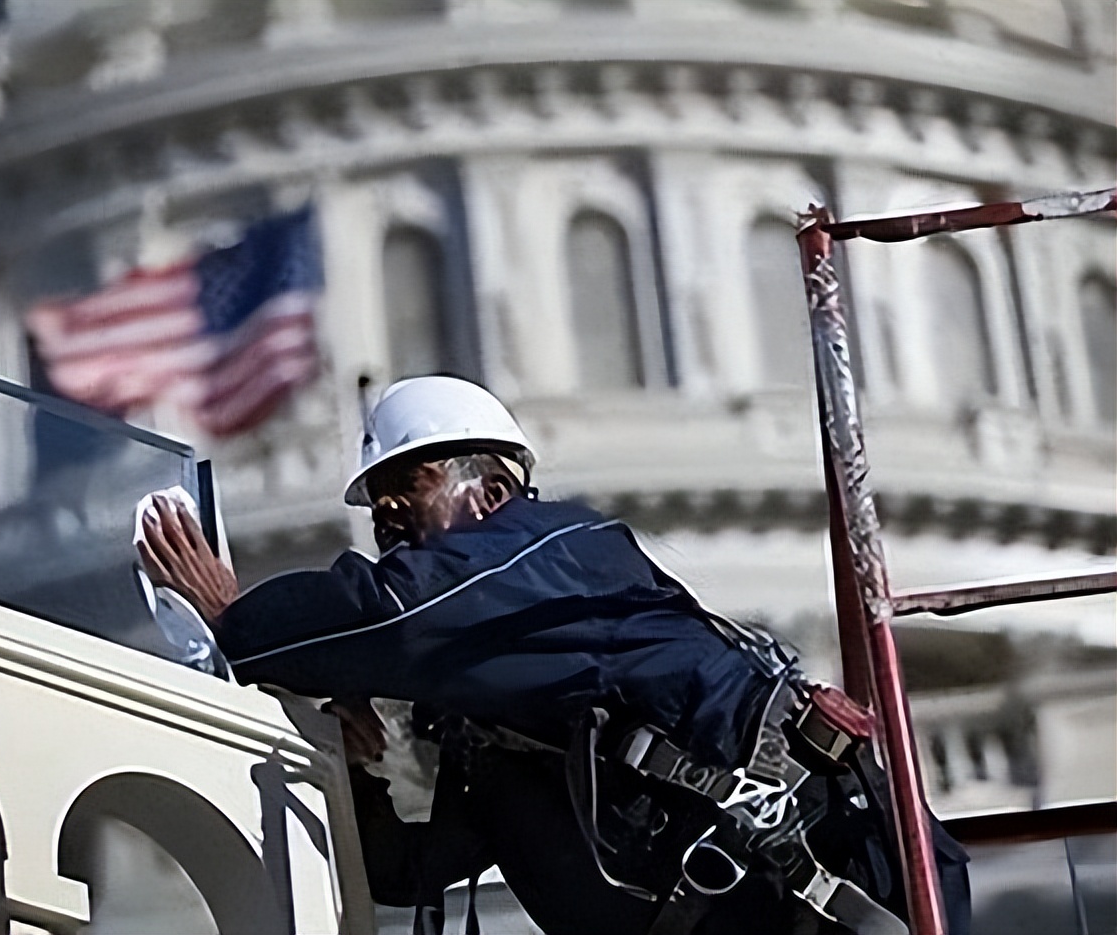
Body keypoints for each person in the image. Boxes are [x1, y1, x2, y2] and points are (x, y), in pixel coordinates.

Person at [138, 375, 970, 935]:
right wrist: (352, 756)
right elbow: (416, 869)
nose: (387, 514)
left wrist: (239, 618)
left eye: (409, 487)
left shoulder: (559, 554)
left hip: (840, 900)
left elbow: (395, 614)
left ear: (493, 496)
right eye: (377, 505)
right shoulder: (498, 712)